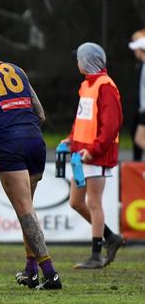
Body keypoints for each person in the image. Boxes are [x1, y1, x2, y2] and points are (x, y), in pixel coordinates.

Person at [0, 29, 62, 289]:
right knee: (27, 208)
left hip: (9, 141)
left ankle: (50, 272)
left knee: (24, 211)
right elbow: (40, 112)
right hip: (34, 139)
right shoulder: (17, 69)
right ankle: (31, 270)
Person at [63, 42, 125, 269]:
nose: (77, 63)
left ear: (87, 61)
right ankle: (111, 237)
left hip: (96, 155)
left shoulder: (105, 86)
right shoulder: (87, 85)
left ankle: (96, 255)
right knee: (76, 202)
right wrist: (71, 137)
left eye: (79, 58)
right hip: (83, 154)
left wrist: (95, 149)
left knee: (93, 202)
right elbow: (83, 118)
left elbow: (111, 126)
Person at [129, 29, 145, 159]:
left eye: (137, 49)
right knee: (138, 139)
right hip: (142, 110)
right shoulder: (141, 65)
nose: (135, 51)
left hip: (144, 110)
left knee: (139, 139)